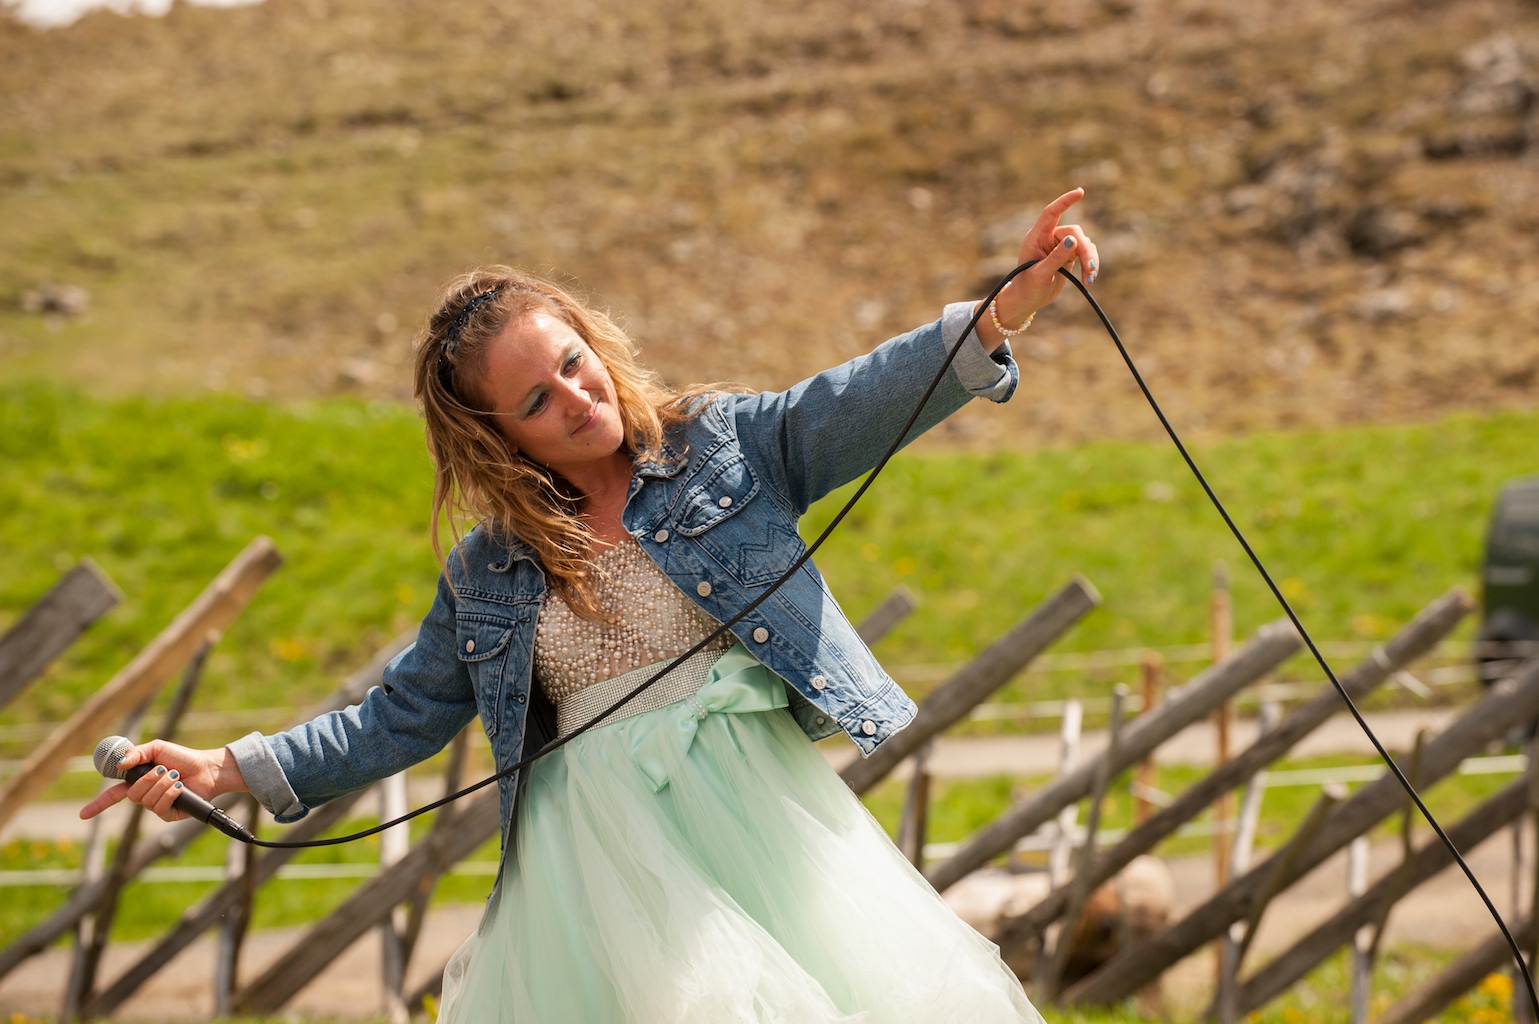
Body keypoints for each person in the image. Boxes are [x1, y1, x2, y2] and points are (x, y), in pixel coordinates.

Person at [81, 189, 1100, 1022]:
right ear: (499, 439)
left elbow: (860, 397)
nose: (575, 398)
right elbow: (396, 717)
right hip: (597, 875)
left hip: (764, 829)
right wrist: (225, 768)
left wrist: (1003, 308)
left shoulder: (727, 447)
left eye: (572, 363)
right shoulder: (489, 571)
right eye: (536, 401)